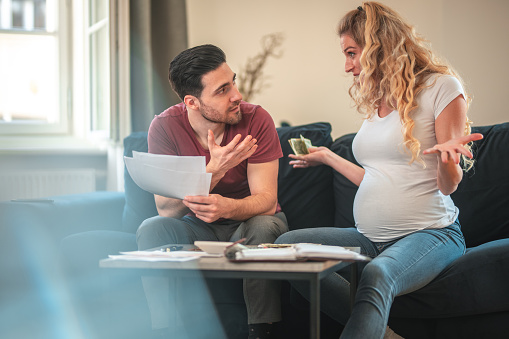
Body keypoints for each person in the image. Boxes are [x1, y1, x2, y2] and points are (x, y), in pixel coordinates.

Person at [275, 2, 483, 339]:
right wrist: (329, 156)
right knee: (286, 248)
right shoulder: (378, 99)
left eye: (352, 53)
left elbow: (448, 186)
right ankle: (385, 334)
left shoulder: (441, 87)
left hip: (430, 234)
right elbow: (377, 177)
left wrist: (447, 160)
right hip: (370, 239)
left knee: (377, 273)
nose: (347, 66)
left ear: (378, 46)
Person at [136, 44, 288, 338]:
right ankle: (164, 331)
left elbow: (267, 201)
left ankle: (262, 331)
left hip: (248, 223)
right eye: (222, 90)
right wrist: (213, 171)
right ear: (192, 102)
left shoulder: (257, 119)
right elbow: (166, 209)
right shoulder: (165, 127)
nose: (237, 96)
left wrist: (228, 207)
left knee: (265, 225)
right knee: (153, 228)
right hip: (198, 227)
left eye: (233, 82)